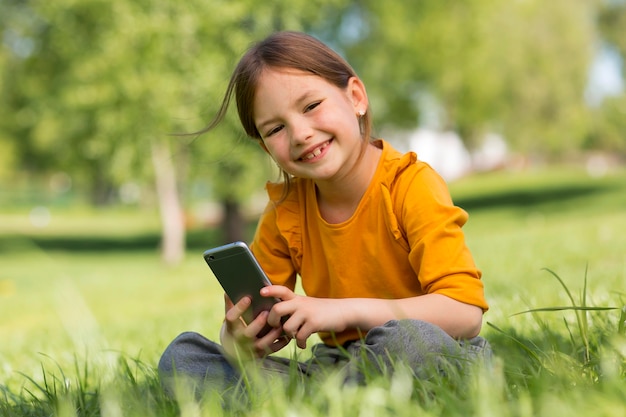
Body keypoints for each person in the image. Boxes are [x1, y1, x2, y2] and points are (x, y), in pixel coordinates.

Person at [158, 30, 491, 397]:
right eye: (277, 128)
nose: (300, 133)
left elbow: (465, 312)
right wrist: (239, 339)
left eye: (311, 106)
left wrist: (340, 312)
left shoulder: (410, 184)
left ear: (356, 98)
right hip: (333, 366)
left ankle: (331, 399)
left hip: (429, 348)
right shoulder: (286, 210)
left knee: (410, 343)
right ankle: (340, 396)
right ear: (266, 147)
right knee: (183, 360)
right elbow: (250, 321)